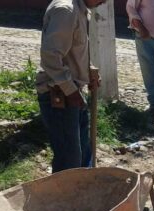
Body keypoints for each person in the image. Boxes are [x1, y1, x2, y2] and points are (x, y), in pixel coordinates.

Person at [35, 0, 107, 173]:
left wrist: (87, 72)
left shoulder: (81, 10)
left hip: (73, 91)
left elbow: (73, 50)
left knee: (82, 154)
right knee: (69, 160)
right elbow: (51, 56)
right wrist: (71, 90)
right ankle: (63, 198)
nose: (104, 1)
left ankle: (81, 195)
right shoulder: (66, 11)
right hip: (59, 94)